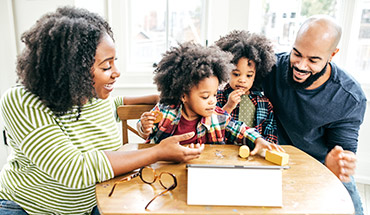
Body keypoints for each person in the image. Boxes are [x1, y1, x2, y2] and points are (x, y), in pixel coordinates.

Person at [0, 6, 204, 215]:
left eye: (114, 62)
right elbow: (74, 170)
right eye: (106, 67)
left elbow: (113, 105)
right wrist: (158, 152)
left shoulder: (89, 94)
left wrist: (154, 98)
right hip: (28, 208)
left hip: (94, 203)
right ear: (71, 71)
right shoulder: (22, 101)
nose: (116, 72)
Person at [262, 15, 366, 215]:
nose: (300, 65)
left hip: (321, 162)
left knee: (352, 210)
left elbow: (342, 149)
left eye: (313, 60)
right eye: (297, 53)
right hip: (277, 154)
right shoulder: (272, 68)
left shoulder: (349, 96)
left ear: (332, 55)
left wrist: (339, 163)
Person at [137, 42, 283, 154]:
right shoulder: (166, 112)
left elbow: (239, 128)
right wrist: (144, 127)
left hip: (203, 169)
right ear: (183, 95)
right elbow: (147, 133)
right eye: (206, 96)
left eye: (214, 94)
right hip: (164, 171)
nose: (213, 101)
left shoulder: (216, 116)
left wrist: (258, 139)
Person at [215, 30, 277, 144]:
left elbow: (270, 132)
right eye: (236, 74)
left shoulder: (264, 103)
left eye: (249, 75)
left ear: (256, 75)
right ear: (226, 71)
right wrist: (229, 106)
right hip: (224, 153)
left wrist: (267, 147)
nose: (242, 80)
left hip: (254, 154)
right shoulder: (217, 97)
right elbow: (213, 125)